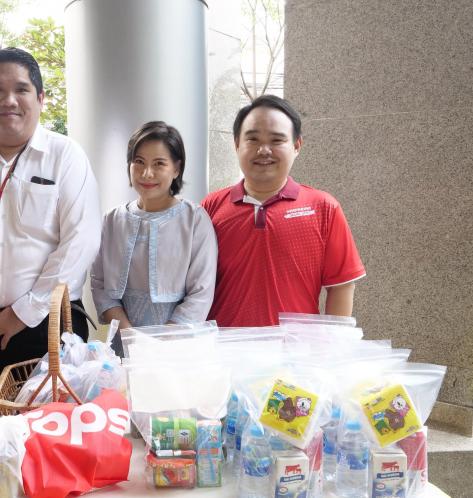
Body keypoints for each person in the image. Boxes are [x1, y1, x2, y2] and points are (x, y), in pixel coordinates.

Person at [0, 47, 101, 381]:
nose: (9, 100)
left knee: (48, 427)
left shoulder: (64, 156)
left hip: (48, 325)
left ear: (40, 98)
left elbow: (80, 240)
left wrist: (24, 312)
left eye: (21, 89)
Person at [201, 95, 365, 327]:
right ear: (237, 144)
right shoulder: (210, 207)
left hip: (296, 354)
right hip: (224, 352)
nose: (264, 150)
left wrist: (331, 349)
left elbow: (341, 286)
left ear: (296, 146)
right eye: (253, 139)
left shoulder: (324, 208)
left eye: (277, 140)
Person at [91, 121, 217, 348]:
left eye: (159, 163)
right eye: (139, 162)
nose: (147, 173)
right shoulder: (112, 220)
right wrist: (130, 337)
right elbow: (99, 283)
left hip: (178, 345)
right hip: (123, 342)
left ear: (176, 168)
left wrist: (162, 344)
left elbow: (201, 292)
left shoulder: (195, 219)